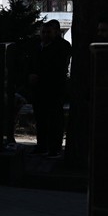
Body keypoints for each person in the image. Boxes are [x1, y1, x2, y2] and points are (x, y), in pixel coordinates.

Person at [30, 19, 72, 157]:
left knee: (55, 119)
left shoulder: (62, 46)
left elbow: (58, 67)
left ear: (56, 32)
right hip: (39, 89)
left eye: (48, 32)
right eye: (43, 32)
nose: (45, 35)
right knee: (40, 118)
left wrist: (40, 76)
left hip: (54, 88)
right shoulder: (37, 45)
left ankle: (55, 148)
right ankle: (42, 145)